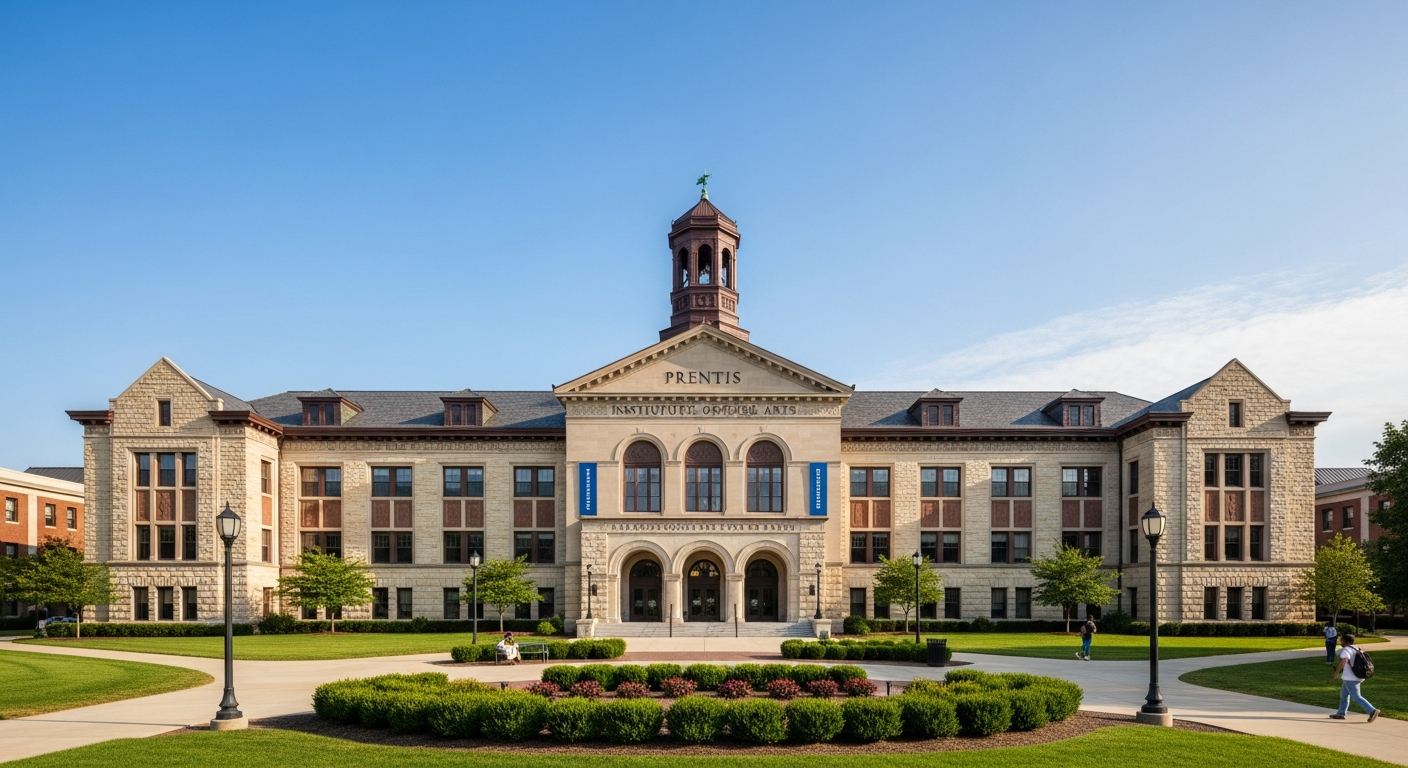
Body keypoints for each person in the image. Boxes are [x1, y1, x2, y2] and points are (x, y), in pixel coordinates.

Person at [1330, 633, 1379, 722]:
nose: (1340, 642)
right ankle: (1341, 713)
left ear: (1344, 641)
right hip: (1354, 676)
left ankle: (1372, 710)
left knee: (1356, 696)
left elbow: (1344, 661)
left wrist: (1336, 673)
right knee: (1344, 695)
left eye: (1341, 640)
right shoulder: (1357, 649)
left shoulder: (1346, 650)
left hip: (1351, 678)